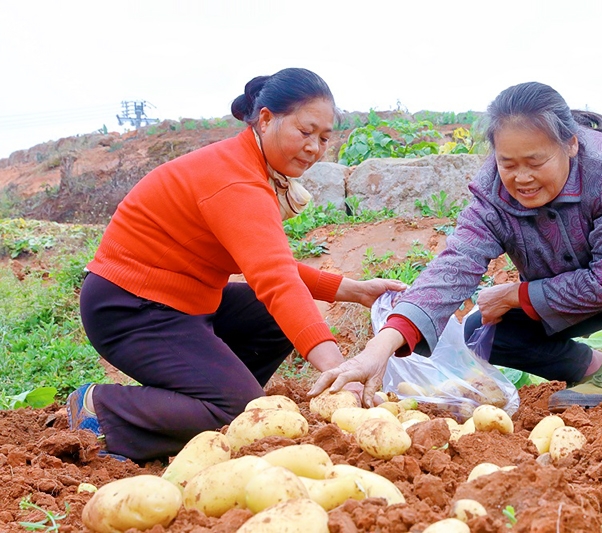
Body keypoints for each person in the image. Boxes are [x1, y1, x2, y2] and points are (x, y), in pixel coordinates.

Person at [67, 68, 404, 462]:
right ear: (265, 119)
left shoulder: (249, 168)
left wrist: (352, 290)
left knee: (267, 326)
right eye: (305, 131)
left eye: (325, 138)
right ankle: (103, 411)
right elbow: (276, 279)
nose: (314, 147)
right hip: (130, 307)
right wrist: (339, 369)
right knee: (237, 409)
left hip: (182, 302)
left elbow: (269, 263)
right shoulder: (237, 180)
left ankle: (208, 399)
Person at [310, 81, 602, 413]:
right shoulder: (491, 196)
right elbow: (453, 268)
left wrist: (518, 294)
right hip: (575, 290)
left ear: (570, 144)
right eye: (508, 163)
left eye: (535, 162)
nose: (522, 178)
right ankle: (596, 370)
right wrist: (378, 350)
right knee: (482, 331)